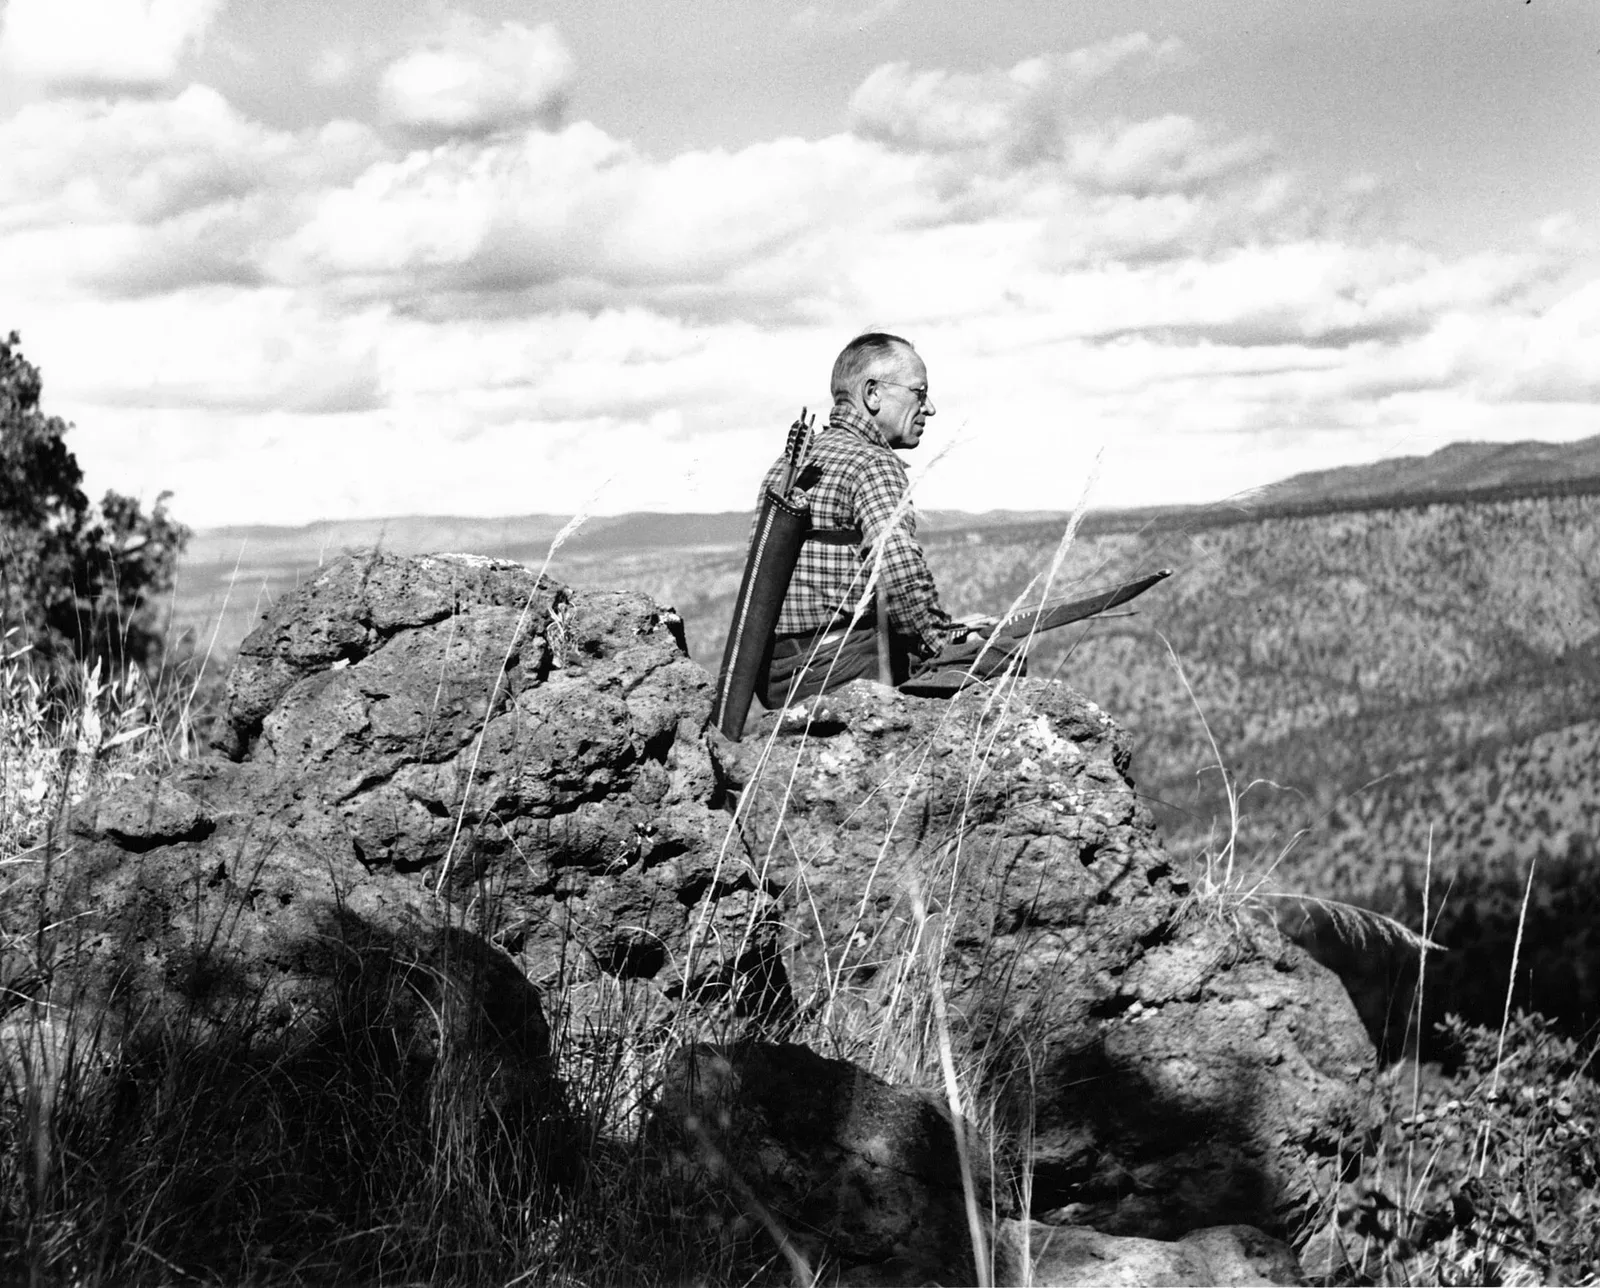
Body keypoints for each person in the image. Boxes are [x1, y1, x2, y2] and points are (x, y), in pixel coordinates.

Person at [756, 332, 998, 708]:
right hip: (842, 669)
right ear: (872, 394)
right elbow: (897, 571)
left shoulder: (785, 467)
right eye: (919, 392)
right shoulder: (872, 463)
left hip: (777, 677)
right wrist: (942, 641)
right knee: (998, 656)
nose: (929, 408)